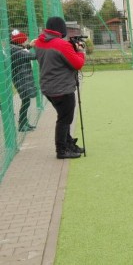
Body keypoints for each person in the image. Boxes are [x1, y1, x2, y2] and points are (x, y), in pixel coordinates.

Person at [35, 16, 86, 159]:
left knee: (64, 116)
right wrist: (80, 51)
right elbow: (77, 64)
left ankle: (68, 143)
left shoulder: (40, 42)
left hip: (48, 88)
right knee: (64, 119)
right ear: (61, 29)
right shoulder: (61, 45)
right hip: (62, 89)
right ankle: (62, 150)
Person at [10, 30, 37, 131]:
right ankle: (21, 125)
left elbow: (23, 50)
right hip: (21, 79)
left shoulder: (14, 48)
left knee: (26, 101)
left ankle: (24, 122)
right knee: (26, 101)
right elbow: (34, 56)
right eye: (24, 40)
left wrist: (29, 46)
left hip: (21, 78)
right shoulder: (18, 51)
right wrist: (36, 46)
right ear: (20, 41)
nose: (26, 41)